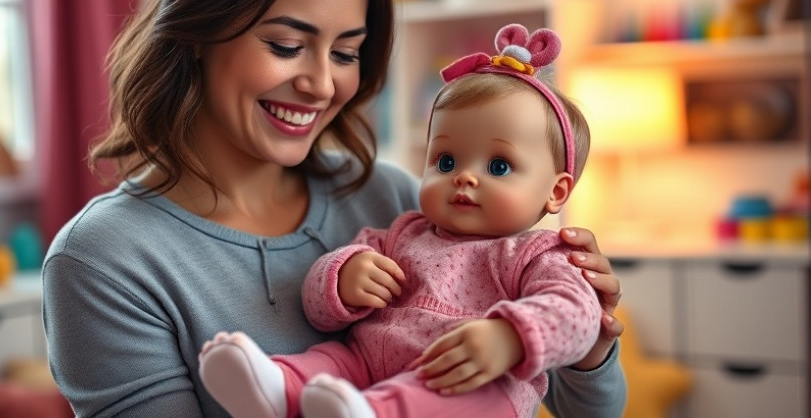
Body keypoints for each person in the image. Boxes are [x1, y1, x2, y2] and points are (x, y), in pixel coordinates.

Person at [41, 0, 626, 417]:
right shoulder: (103, 261)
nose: (322, 84)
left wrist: (589, 335)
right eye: (286, 45)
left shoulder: (392, 194)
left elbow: (585, 408)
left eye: (346, 53)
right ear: (198, 28)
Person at [197, 24, 602, 418]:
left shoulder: (537, 255)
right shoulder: (402, 232)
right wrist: (342, 279)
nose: (464, 177)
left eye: (498, 165)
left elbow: (577, 313)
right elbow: (318, 310)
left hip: (468, 379)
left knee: (473, 396)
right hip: (369, 364)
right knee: (331, 361)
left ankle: (372, 411)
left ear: (556, 192)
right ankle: (278, 388)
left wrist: (511, 337)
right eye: (445, 161)